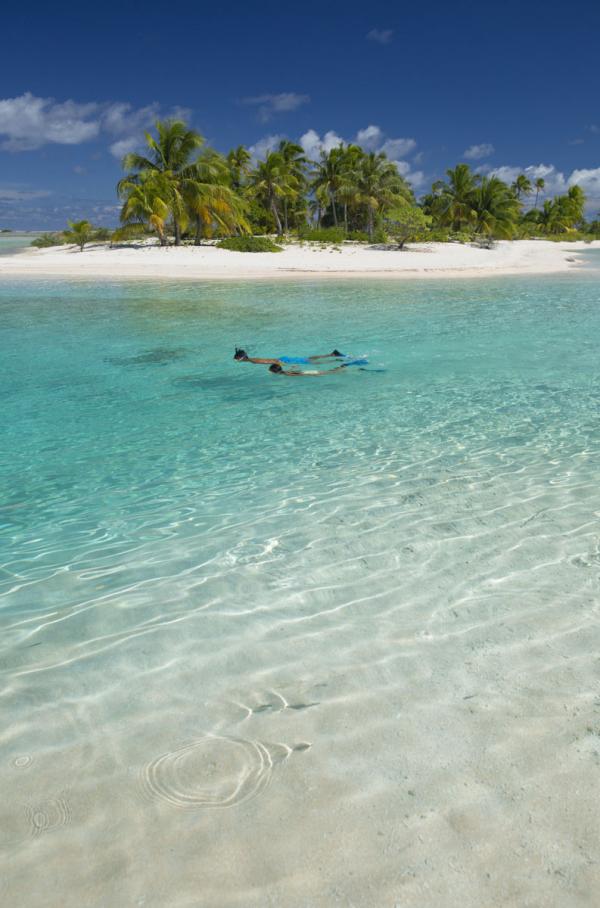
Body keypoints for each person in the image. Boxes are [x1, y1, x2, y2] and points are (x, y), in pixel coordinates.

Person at [234, 347, 345, 365]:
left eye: (236, 359)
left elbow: (267, 362)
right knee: (307, 359)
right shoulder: (251, 359)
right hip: (283, 358)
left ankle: (336, 360)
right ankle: (332, 354)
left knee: (311, 362)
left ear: (240, 358)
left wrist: (281, 364)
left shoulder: (253, 360)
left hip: (283, 361)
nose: (236, 360)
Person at [268, 361, 365, 377]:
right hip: (307, 372)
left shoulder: (285, 374)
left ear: (275, 371)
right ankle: (344, 366)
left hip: (309, 373)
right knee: (331, 371)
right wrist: (293, 367)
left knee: (332, 372)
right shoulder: (284, 372)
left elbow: (298, 375)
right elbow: (294, 372)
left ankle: (346, 366)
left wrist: (312, 375)